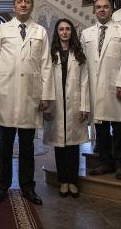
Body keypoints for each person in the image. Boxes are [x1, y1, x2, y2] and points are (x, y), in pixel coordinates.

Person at [0, 0, 53, 205]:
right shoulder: (2, 30)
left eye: (27, 2)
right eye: (19, 2)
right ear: (14, 6)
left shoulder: (40, 31)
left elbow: (46, 64)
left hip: (30, 96)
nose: (23, 5)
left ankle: (28, 187)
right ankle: (2, 187)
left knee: (27, 147)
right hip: (5, 95)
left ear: (32, 6)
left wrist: (46, 95)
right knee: (4, 147)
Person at [81, 0, 121, 180]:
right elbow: (84, 63)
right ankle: (105, 162)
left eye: (105, 7)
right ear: (94, 10)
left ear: (111, 10)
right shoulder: (86, 33)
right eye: (98, 7)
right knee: (100, 128)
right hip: (95, 87)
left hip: (116, 86)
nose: (102, 10)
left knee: (118, 128)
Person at [43, 19, 89, 198]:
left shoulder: (78, 54)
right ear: (57, 32)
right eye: (61, 29)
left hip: (74, 103)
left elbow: (84, 81)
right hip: (56, 104)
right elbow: (45, 80)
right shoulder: (50, 54)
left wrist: (84, 105)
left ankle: (73, 181)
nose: (64, 32)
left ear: (72, 32)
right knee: (60, 146)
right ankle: (63, 181)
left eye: (67, 29)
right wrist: (46, 105)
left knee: (73, 146)